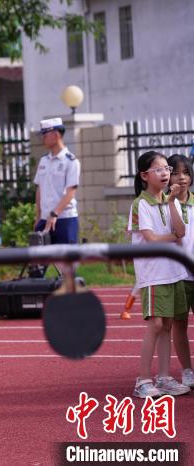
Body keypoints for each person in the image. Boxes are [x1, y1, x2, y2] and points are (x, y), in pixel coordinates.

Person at [128, 151, 191, 398]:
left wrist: (172, 202)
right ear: (144, 175)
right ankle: (142, 380)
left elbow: (181, 230)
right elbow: (151, 238)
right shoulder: (140, 204)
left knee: (166, 325)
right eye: (159, 169)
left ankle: (164, 377)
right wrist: (173, 238)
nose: (166, 173)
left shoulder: (169, 200)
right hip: (153, 274)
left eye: (167, 168)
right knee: (155, 324)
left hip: (172, 272)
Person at [166, 154, 194, 388]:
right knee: (180, 325)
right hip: (177, 274)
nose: (181, 178)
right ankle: (187, 371)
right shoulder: (164, 204)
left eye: (185, 172)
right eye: (175, 172)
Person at [33, 117, 81, 244]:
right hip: (44, 218)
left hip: (64, 219)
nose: (42, 139)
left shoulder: (70, 161)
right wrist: (38, 217)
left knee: (66, 262)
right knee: (39, 261)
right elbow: (39, 188)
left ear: (55, 135)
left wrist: (55, 214)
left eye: (44, 135)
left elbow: (71, 192)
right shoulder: (43, 161)